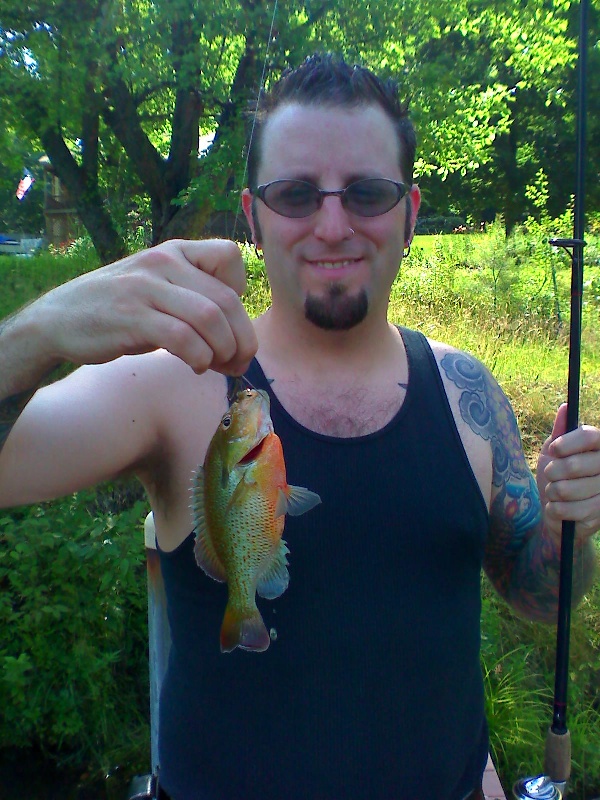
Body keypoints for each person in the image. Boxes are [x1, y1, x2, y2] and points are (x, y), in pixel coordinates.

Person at [0, 53, 599, 800]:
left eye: (368, 193)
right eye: (296, 194)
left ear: (410, 213)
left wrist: (569, 524)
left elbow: (540, 596)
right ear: (253, 217)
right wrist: (36, 336)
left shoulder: (466, 390)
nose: (332, 224)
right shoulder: (170, 381)